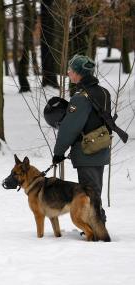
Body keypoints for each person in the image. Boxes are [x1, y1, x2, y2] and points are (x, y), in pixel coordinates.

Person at [52, 54, 111, 223]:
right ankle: (98, 224)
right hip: (100, 148)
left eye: (70, 70)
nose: (68, 73)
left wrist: (59, 152)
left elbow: (69, 128)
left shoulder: (80, 98)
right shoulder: (103, 92)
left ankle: (96, 227)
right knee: (94, 190)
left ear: (79, 73)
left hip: (87, 151)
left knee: (90, 192)